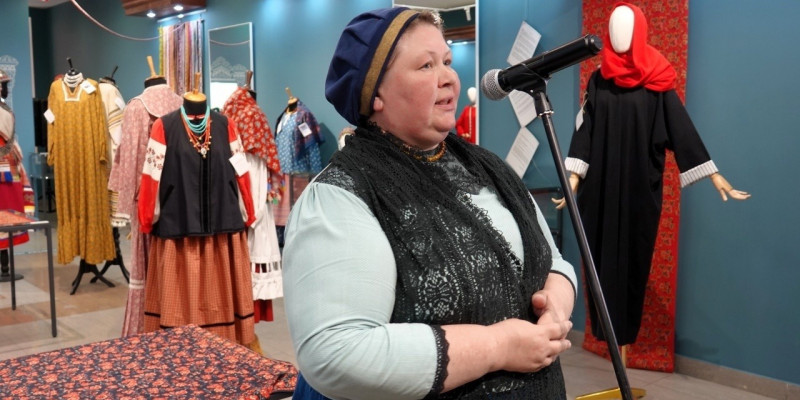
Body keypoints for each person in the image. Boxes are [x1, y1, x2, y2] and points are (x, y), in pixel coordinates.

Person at [283, 7, 577, 399]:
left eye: (447, 62)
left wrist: (555, 303)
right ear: (376, 94)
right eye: (426, 65)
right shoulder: (342, 196)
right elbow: (336, 353)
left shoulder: (489, 168)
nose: (449, 77)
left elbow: (552, 260)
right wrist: (498, 347)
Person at [554, 3, 749, 346]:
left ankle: (625, 336)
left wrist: (713, 174)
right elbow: (585, 130)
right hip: (599, 190)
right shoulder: (599, 80)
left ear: (639, 31)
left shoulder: (656, 79)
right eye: (614, 28)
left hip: (638, 188)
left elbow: (680, 128)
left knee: (634, 260)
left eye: (626, 28)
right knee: (598, 260)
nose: (619, 35)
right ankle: (606, 333)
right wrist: (573, 178)